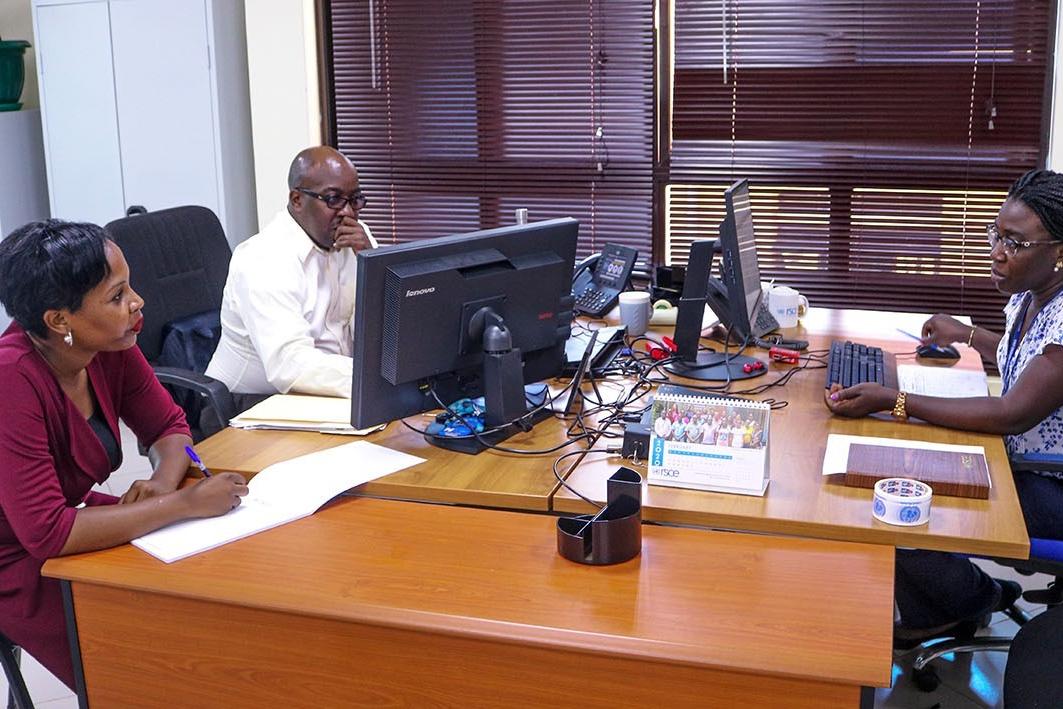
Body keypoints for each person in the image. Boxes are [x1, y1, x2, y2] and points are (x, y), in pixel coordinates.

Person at [0, 220, 249, 688]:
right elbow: (47, 534)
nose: (137, 303)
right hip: (15, 556)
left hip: (66, 521)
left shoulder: (108, 342)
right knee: (149, 667)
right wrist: (180, 504)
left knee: (205, 601)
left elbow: (170, 427)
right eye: (117, 296)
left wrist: (162, 484)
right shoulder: (11, 379)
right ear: (59, 321)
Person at [824, 169, 1063, 642]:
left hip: (1050, 486)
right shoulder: (1034, 296)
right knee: (901, 470)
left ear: (1059, 253)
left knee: (899, 495)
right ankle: (949, 604)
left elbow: (1012, 413)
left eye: (1015, 243)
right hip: (1022, 463)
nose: (997, 252)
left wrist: (897, 400)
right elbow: (1027, 357)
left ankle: (972, 601)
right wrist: (967, 334)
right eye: (997, 235)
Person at [205, 146, 378, 402]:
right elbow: (291, 366)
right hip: (249, 404)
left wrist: (372, 263)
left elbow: (381, 329)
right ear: (297, 200)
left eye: (355, 199)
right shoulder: (263, 259)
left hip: (329, 391)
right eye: (333, 199)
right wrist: (373, 380)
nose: (348, 212)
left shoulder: (356, 239)